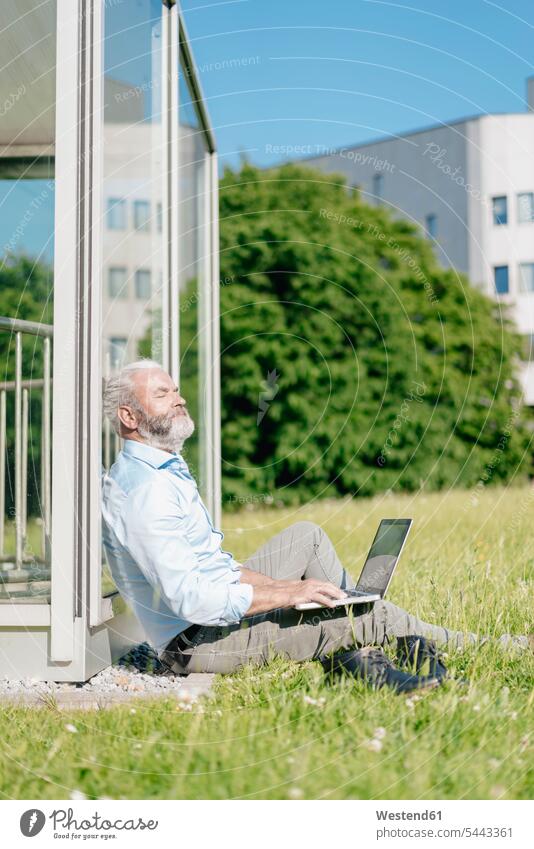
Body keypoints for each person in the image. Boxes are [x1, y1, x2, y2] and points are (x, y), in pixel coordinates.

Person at [101, 360, 530, 687]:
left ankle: (349, 634)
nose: (179, 399)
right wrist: (291, 592)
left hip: (212, 616)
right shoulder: (144, 494)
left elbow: (215, 567)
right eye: (162, 394)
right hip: (198, 642)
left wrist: (290, 594)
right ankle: (470, 647)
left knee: (307, 539)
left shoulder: (162, 469)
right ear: (130, 417)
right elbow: (192, 599)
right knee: (363, 617)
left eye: (176, 390)